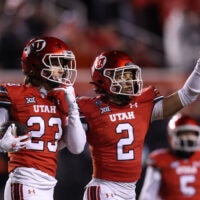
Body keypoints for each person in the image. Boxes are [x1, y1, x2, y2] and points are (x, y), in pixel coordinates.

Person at [76, 50, 200, 200]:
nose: (129, 81)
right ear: (103, 79)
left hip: (130, 190)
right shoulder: (90, 108)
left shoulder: (142, 104)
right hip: (104, 189)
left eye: (130, 76)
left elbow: (187, 95)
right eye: (123, 76)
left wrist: (198, 70)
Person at [0, 36, 86, 200]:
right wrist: (2, 143)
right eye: (56, 63)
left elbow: (77, 147)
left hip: (48, 184)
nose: (62, 69)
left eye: (63, 63)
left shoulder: (61, 99)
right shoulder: (13, 93)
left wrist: (73, 105)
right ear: (35, 64)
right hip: (24, 181)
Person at [139, 113, 200, 200]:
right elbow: (149, 196)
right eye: (183, 134)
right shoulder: (160, 159)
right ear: (172, 136)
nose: (189, 138)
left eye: (191, 134)